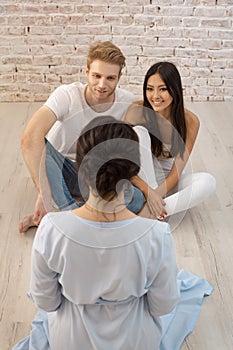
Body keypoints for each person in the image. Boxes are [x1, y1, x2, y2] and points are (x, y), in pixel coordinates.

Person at [14, 117, 180, 350]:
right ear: (134, 172)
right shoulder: (157, 234)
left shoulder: (51, 228)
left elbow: (46, 301)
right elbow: (163, 305)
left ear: (80, 169)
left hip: (69, 342)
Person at [19, 41, 145, 233]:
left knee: (137, 200)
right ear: (86, 72)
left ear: (120, 77)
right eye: (96, 76)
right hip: (62, 171)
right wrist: (44, 195)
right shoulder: (67, 95)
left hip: (100, 175)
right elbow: (30, 138)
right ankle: (67, 212)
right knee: (36, 140)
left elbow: (132, 152)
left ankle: (63, 218)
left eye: (110, 78)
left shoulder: (127, 102)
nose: (102, 85)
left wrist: (149, 192)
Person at [124, 61, 216, 225]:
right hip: (142, 179)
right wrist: (149, 191)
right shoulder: (136, 111)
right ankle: (153, 207)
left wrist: (157, 195)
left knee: (208, 181)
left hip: (168, 181)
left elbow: (176, 172)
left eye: (163, 89)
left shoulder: (190, 121)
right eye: (150, 89)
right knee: (139, 132)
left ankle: (147, 214)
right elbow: (123, 162)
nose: (155, 96)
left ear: (175, 89)